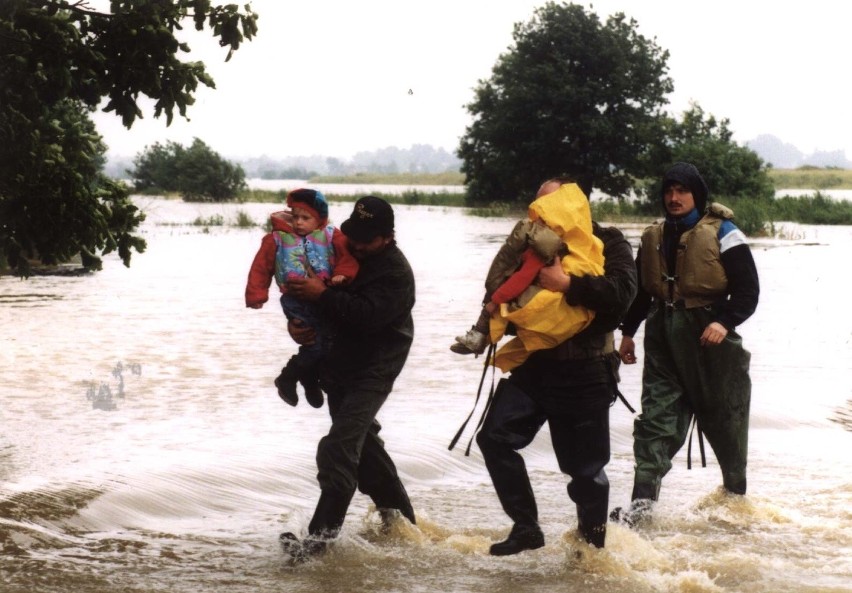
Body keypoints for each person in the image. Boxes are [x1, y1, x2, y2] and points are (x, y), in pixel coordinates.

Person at [475, 177, 638, 554]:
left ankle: (593, 549)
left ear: (576, 205)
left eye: (551, 207)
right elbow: (500, 287)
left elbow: (622, 296)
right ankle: (526, 527)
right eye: (538, 209)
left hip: (587, 371)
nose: (543, 216)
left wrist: (568, 284)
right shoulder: (530, 242)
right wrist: (486, 327)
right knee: (493, 439)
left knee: (584, 473)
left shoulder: (609, 243)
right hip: (536, 366)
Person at [610, 162, 759, 526]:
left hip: (711, 338)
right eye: (668, 191)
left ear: (696, 194)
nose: (674, 198)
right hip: (662, 335)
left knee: (727, 424)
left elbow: (749, 291)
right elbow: (643, 293)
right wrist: (628, 332)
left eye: (682, 191)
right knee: (655, 423)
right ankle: (640, 513)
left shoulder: (725, 231)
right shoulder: (653, 236)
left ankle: (735, 509)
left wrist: (724, 322)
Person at [277, 195, 417, 561]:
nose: (356, 243)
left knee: (339, 447)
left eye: (366, 239)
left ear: (387, 237)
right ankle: (405, 526)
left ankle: (318, 543)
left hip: (374, 369)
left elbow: (366, 316)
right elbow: (315, 296)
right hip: (339, 364)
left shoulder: (395, 273)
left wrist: (322, 295)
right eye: (353, 234)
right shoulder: (342, 249)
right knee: (366, 451)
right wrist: (298, 325)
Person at [451, 182, 605, 373]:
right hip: (539, 366)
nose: (537, 218)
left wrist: (495, 301)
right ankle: (481, 335)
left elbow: (521, 279)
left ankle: (480, 336)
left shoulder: (546, 246)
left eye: (545, 208)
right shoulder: (588, 244)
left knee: (500, 305)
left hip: (584, 362)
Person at [245, 188, 358, 408]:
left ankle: (308, 378)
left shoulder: (331, 235)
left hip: (323, 297)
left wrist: (343, 275)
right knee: (314, 343)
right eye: (295, 217)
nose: (298, 223)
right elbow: (260, 267)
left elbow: (347, 258)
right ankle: (289, 376)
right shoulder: (277, 239)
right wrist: (256, 294)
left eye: (305, 218)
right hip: (294, 298)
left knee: (325, 342)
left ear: (319, 219)